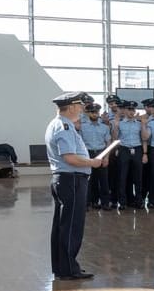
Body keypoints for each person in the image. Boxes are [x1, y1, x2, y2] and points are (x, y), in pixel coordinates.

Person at [46, 92, 108, 280]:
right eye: (80, 106)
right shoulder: (64, 127)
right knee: (71, 225)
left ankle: (63, 266)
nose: (82, 109)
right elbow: (70, 158)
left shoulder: (59, 125)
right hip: (71, 180)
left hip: (65, 179)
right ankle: (68, 269)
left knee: (63, 225)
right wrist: (93, 163)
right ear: (71, 107)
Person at [111, 100, 145, 210]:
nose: (132, 111)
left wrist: (145, 153)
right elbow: (115, 138)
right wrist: (115, 126)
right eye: (129, 109)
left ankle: (139, 201)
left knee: (138, 177)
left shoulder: (139, 124)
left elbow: (144, 138)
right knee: (122, 177)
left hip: (137, 149)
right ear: (124, 110)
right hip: (124, 150)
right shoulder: (119, 123)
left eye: (133, 109)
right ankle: (122, 202)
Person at [79, 103, 112, 210]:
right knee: (89, 179)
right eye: (92, 112)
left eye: (96, 112)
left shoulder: (105, 127)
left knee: (104, 179)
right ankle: (89, 202)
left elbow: (108, 143)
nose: (95, 114)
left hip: (101, 153)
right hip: (87, 154)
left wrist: (106, 157)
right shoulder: (82, 127)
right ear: (88, 113)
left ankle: (105, 203)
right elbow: (79, 143)